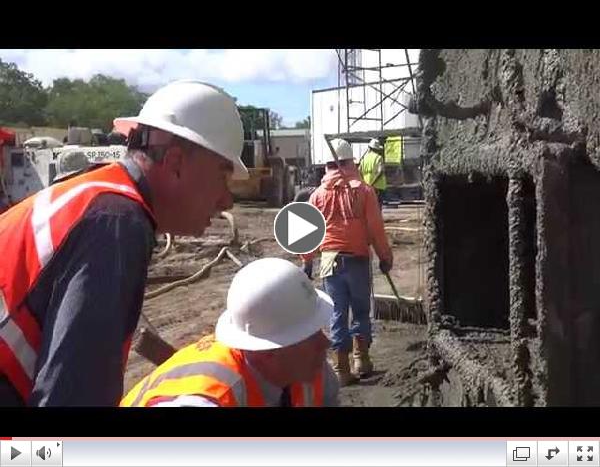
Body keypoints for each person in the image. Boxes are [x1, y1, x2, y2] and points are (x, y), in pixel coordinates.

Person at [0, 80, 247, 406]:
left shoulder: (97, 198)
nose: (227, 201)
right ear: (175, 164)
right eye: (223, 177)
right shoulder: (116, 223)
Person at [121, 258, 339, 407]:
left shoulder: (312, 372)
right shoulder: (207, 399)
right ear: (268, 352)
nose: (325, 343)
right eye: (307, 335)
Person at [301, 139, 393, 386]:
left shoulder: (317, 195)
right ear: (351, 162)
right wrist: (385, 257)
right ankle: (361, 360)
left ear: (328, 166)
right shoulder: (364, 191)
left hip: (330, 261)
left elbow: (309, 232)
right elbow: (375, 229)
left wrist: (307, 261)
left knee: (338, 313)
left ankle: (341, 369)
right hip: (357, 259)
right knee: (361, 311)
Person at [359, 138, 387, 207]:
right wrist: (373, 182)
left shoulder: (364, 159)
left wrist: (364, 183)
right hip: (378, 187)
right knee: (377, 207)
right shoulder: (379, 158)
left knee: (369, 207)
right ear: (377, 149)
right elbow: (380, 171)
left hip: (367, 187)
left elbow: (359, 171)